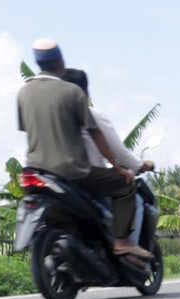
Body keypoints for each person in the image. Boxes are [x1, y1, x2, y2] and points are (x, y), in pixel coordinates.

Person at [15, 39, 148, 259]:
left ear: (38, 63)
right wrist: (118, 167)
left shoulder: (24, 92)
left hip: (35, 170)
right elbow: (96, 133)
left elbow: (27, 129)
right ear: (60, 62)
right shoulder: (72, 92)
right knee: (125, 185)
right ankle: (123, 241)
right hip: (72, 171)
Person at [60, 68, 154, 248]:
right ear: (85, 91)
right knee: (128, 186)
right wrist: (139, 165)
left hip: (61, 177)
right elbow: (119, 151)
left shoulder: (57, 117)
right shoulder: (93, 115)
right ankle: (126, 247)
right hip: (89, 179)